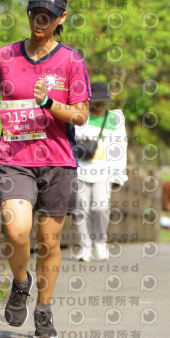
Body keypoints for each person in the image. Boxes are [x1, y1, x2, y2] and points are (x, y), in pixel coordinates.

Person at [0, 0, 90, 338]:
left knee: (48, 241)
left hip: (58, 162)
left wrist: (48, 105)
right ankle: (20, 283)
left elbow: (80, 115)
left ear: (61, 18)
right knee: (15, 228)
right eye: (33, 12)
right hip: (15, 157)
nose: (38, 19)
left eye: (47, 14)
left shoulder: (71, 61)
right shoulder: (4, 56)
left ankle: (43, 309)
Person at [73, 81, 128, 261]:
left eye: (101, 102)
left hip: (103, 172)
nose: (98, 105)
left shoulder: (115, 119)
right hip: (81, 170)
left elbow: (121, 147)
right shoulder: (80, 116)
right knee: (81, 210)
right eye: (94, 101)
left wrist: (119, 175)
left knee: (100, 208)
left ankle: (100, 241)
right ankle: (85, 247)